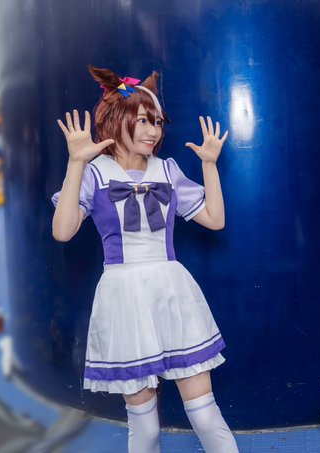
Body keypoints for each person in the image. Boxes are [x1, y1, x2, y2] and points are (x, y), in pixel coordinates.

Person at [51, 65, 238, 453]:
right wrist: (76, 164)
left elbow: (215, 219)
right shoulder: (95, 172)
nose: (153, 131)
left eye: (156, 122)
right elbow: (63, 231)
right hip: (125, 299)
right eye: (143, 121)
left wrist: (209, 165)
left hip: (172, 292)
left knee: (205, 416)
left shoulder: (167, 170)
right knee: (146, 429)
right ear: (117, 120)